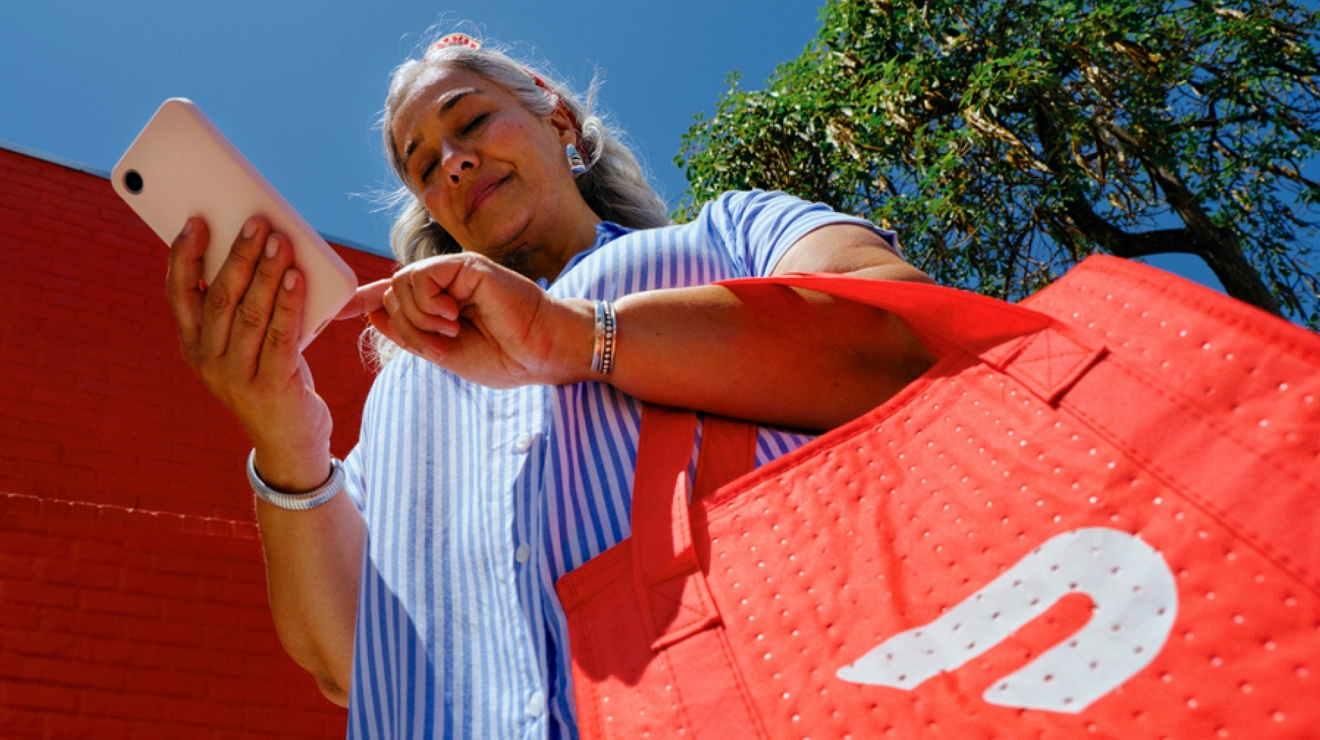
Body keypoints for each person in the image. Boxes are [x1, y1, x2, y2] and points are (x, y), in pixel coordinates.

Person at [165, 30, 935, 740]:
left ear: (559, 120)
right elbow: (347, 667)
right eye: (424, 165)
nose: (453, 162)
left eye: (469, 123)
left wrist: (570, 339)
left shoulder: (733, 235)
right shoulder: (401, 397)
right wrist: (285, 442)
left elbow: (906, 340)